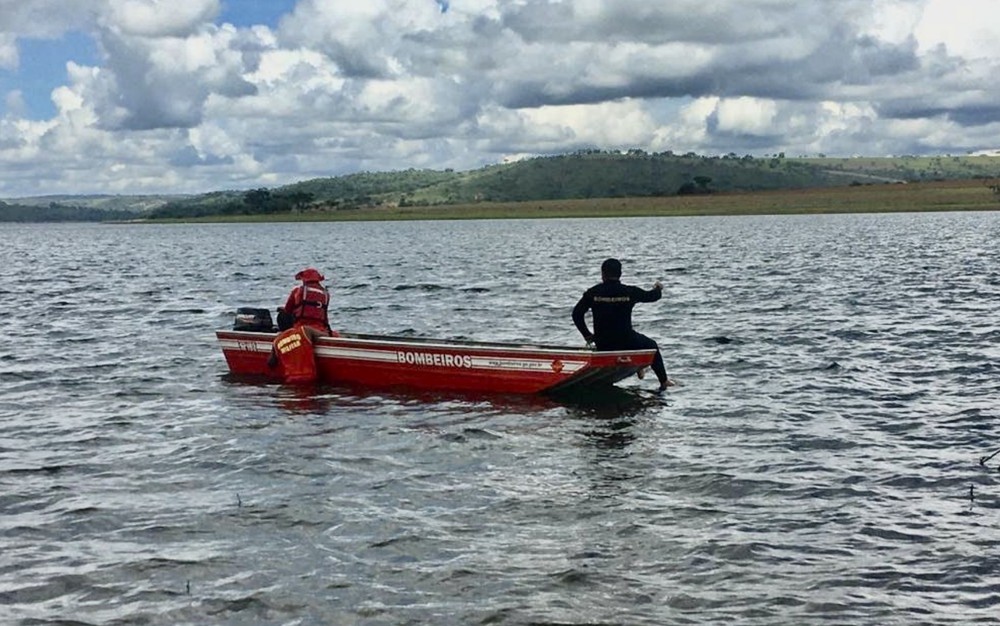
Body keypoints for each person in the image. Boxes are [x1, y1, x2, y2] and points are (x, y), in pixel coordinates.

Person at [572, 258, 673, 392]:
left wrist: (588, 335)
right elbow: (652, 297)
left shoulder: (593, 293)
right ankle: (664, 381)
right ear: (620, 274)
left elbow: (576, 314)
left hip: (603, 343)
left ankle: (640, 367)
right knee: (652, 346)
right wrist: (658, 288)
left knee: (637, 342)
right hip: (627, 340)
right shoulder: (629, 292)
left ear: (602, 274)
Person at [283, 267, 331, 334]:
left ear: (304, 279)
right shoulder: (325, 294)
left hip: (301, 328)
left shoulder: (297, 291)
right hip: (321, 330)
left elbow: (287, 310)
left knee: (282, 315)